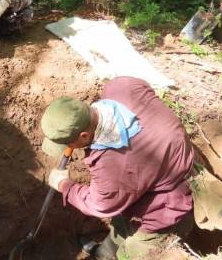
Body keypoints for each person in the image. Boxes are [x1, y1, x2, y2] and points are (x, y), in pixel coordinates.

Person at [41, 77, 195, 259]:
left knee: (129, 254)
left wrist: (63, 185)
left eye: (69, 143)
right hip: (165, 172)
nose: (68, 147)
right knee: (121, 223)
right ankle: (104, 253)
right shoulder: (122, 87)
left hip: (168, 208)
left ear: (84, 135)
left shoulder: (115, 167)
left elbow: (100, 205)